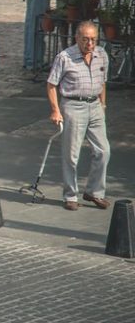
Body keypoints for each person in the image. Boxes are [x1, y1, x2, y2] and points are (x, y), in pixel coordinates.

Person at [46, 20, 110, 211]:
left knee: (103, 151)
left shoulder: (101, 55)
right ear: (77, 38)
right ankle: (70, 195)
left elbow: (103, 82)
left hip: (95, 105)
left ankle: (94, 192)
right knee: (71, 154)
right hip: (73, 105)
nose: (90, 44)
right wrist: (55, 110)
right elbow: (51, 84)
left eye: (93, 39)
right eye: (85, 39)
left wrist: (103, 104)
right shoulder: (65, 57)